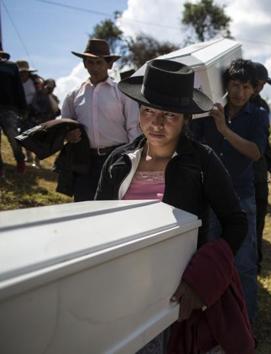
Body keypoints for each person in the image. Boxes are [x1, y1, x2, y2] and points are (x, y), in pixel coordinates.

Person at [95, 59, 254, 354]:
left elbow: (236, 222)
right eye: (148, 111)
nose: (155, 123)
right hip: (122, 289)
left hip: (176, 295)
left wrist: (201, 280)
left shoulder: (202, 162)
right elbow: (96, 221)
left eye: (169, 115)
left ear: (186, 119)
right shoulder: (118, 161)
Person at [189, 58, 268, 323]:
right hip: (209, 197)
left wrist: (223, 129)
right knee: (210, 258)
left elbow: (256, 153)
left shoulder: (257, 115)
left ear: (254, 90)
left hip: (241, 197)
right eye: (236, 85)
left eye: (247, 87)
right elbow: (194, 146)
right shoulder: (207, 112)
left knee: (244, 263)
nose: (240, 93)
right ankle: (213, 321)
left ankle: (245, 323)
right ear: (227, 84)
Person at [61, 38, 140, 201]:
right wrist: (68, 136)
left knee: (115, 208)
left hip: (117, 157)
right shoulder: (74, 95)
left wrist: (134, 162)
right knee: (84, 208)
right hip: (85, 161)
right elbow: (64, 127)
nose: (94, 67)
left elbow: (134, 128)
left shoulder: (122, 93)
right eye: (90, 62)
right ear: (84, 64)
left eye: (99, 62)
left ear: (109, 64)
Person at [251, 61, 271, 272]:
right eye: (258, 83)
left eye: (263, 84)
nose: (261, 88)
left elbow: (264, 141)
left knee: (259, 219)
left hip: (259, 173)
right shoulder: (229, 104)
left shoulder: (262, 107)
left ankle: (255, 262)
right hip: (238, 174)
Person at [0, 46, 27, 177]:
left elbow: (18, 88)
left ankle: (20, 161)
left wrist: (23, 107)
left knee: (13, 136)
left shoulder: (11, 67)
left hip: (9, 108)